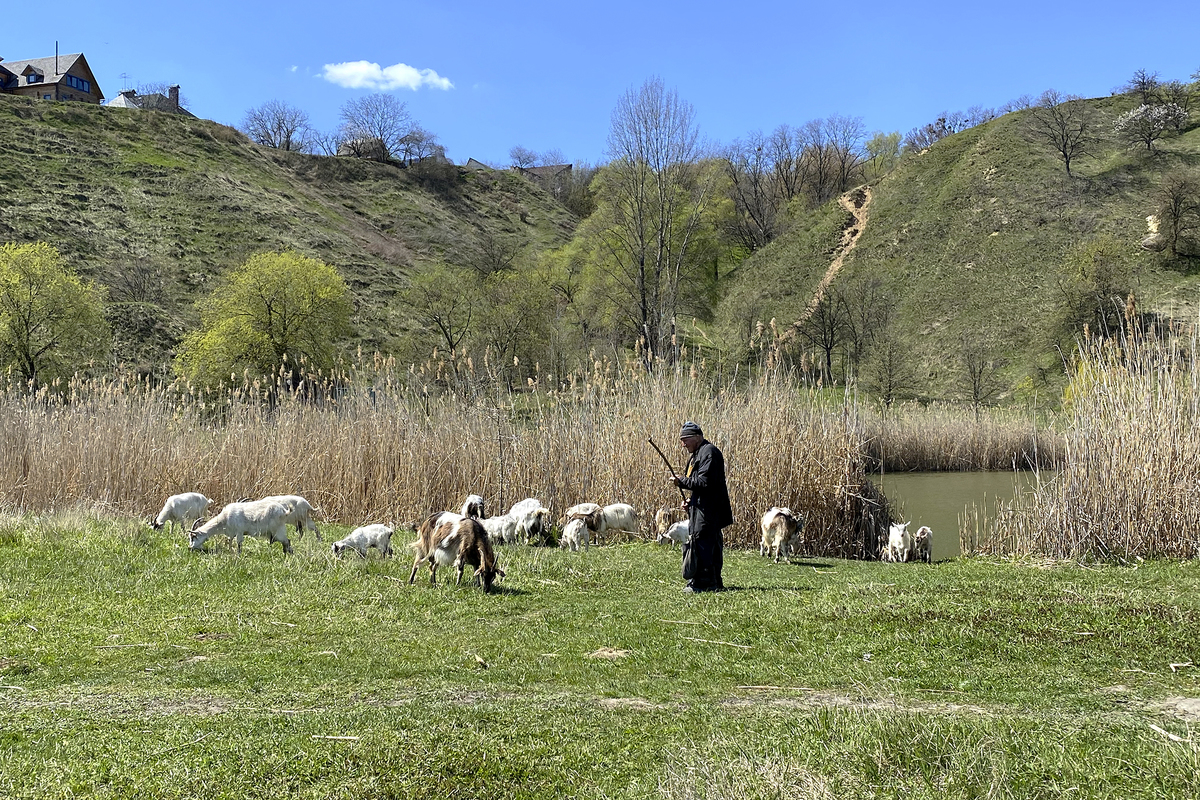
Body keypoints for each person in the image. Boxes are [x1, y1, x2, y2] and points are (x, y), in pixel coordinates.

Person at [670, 421, 733, 592]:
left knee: (703, 544)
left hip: (709, 511)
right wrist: (692, 502)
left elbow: (704, 482)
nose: (683, 444)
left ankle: (704, 583)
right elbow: (702, 488)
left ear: (697, 437)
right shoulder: (699, 453)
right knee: (706, 543)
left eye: (685, 440)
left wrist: (681, 481)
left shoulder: (709, 453)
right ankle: (712, 582)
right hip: (702, 508)